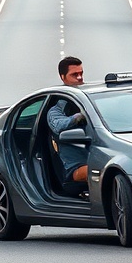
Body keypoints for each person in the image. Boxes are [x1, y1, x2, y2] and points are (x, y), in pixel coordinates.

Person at [46, 56, 89, 189]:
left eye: (81, 73)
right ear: (62, 77)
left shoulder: (89, 101)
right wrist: (79, 117)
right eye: (74, 74)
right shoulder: (56, 110)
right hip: (75, 168)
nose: (80, 77)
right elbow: (59, 126)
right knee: (100, 169)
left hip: (100, 155)